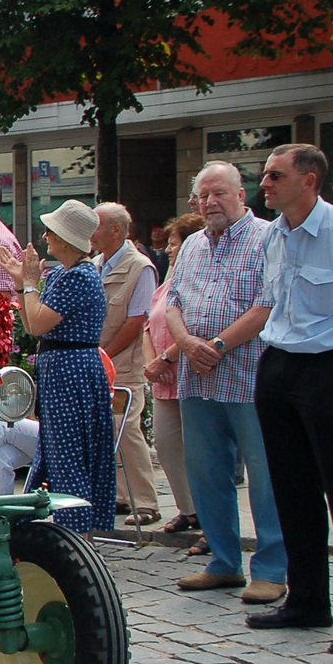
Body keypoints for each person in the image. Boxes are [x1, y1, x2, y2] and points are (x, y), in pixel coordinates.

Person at [247, 144, 333, 654]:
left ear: (309, 180)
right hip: (279, 362)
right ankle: (308, 599)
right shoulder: (274, 235)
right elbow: (273, 302)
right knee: (290, 487)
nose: (264, 184)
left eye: (275, 175)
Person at [166, 160, 286, 604]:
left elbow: (266, 304)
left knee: (266, 474)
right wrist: (185, 342)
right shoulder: (194, 244)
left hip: (249, 375)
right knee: (206, 471)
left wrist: (214, 345)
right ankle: (223, 561)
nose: (211, 202)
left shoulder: (267, 238)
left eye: (220, 193)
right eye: (203, 195)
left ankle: (272, 568)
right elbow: (172, 301)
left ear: (241, 194)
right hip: (197, 379)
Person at [0, 199, 117, 532]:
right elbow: (32, 318)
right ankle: (62, 528)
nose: (46, 236)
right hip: (64, 368)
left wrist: (29, 282)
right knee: (58, 452)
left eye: (51, 231)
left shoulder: (77, 276)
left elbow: (35, 324)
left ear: (65, 238)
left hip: (71, 371)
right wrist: (24, 283)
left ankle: (75, 532)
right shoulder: (67, 274)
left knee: (69, 458)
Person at [90, 202, 162, 526]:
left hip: (125, 366)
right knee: (108, 429)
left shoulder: (140, 267)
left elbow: (136, 321)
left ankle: (146, 501)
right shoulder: (95, 264)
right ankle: (120, 496)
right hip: (100, 363)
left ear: (116, 230)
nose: (91, 232)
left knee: (127, 428)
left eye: (96, 224)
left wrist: (102, 354)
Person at [141, 213, 205, 540]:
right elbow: (149, 326)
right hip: (163, 379)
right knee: (166, 445)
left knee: (199, 450)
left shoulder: (197, 279)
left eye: (173, 242)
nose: (167, 249)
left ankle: (208, 514)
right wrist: (153, 363)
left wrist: (167, 358)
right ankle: (187, 508)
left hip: (189, 374)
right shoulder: (166, 282)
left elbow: (195, 327)